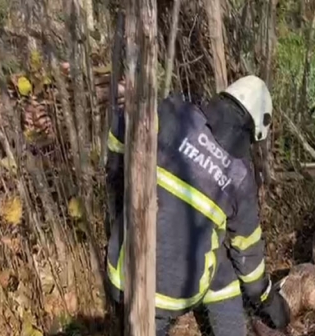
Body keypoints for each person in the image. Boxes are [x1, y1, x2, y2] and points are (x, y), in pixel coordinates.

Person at [104, 75, 290, 335]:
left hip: (121, 271)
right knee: (220, 264)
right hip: (167, 297)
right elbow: (248, 257)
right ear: (251, 131)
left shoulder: (175, 114)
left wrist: (117, 175)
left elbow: (124, 122)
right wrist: (269, 301)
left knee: (219, 264)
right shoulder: (240, 177)